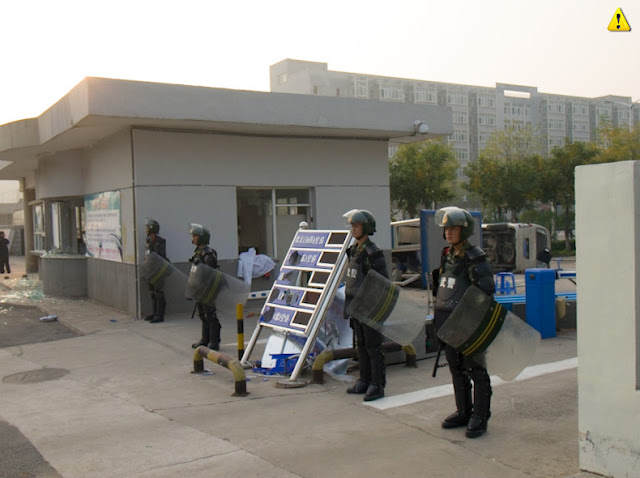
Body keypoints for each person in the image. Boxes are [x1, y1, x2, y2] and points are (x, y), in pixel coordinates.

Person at [432, 207, 495, 438]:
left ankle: (480, 415)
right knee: (456, 369)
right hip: (450, 323)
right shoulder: (447, 254)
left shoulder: (475, 257)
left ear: (464, 230)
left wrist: (474, 323)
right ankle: (463, 411)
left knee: (476, 370)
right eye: (446, 229)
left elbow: (486, 291)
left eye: (453, 228)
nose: (449, 233)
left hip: (469, 324)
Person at [343, 209, 389, 401]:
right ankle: (364, 379)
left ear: (366, 228)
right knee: (360, 345)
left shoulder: (372, 252)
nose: (353, 229)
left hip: (369, 307)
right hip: (356, 305)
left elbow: (381, 282)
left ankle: (377, 384)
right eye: (352, 225)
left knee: (373, 346)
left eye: (357, 225)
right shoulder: (354, 249)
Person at [189, 223, 222, 351]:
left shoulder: (208, 253)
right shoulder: (198, 252)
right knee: (202, 314)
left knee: (210, 314)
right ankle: (205, 339)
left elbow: (210, 273)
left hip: (208, 289)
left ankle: (214, 341)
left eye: (195, 235)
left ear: (202, 237)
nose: (193, 237)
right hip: (199, 288)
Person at [144, 219, 167, 323]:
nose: (146, 229)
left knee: (159, 293)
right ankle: (154, 313)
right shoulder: (148, 241)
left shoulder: (160, 242)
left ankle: (160, 315)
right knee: (152, 293)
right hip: (150, 270)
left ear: (152, 229)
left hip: (158, 271)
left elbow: (159, 257)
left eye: (147, 227)